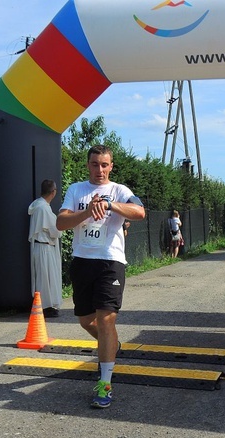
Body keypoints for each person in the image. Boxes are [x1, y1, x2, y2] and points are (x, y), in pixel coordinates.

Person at [56, 144, 146, 408]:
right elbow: (61, 223)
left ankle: (105, 385)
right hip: (83, 262)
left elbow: (140, 212)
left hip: (110, 263)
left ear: (111, 166)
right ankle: (111, 346)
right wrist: (87, 211)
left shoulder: (120, 191)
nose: (100, 170)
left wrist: (110, 205)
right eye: (95, 164)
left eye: (104, 165)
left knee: (106, 319)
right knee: (86, 321)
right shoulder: (76, 190)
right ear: (88, 165)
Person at [28, 179, 63, 318]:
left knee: (44, 276)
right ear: (53, 192)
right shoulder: (43, 208)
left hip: (41, 246)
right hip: (44, 247)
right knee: (46, 277)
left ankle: (45, 304)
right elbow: (55, 230)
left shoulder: (38, 206)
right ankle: (46, 306)